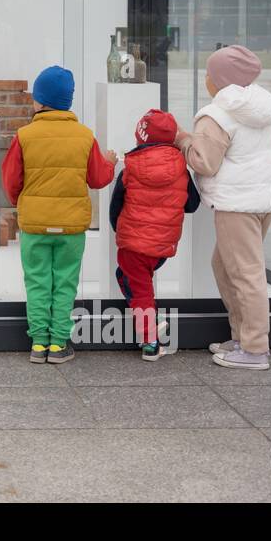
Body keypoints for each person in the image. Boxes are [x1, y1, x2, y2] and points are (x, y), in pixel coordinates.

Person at [176, 46, 271, 370]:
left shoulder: (216, 115)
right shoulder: (267, 107)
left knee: (246, 273)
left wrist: (184, 142)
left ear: (219, 80)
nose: (206, 79)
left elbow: (205, 162)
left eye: (209, 73)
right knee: (224, 265)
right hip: (265, 201)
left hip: (236, 205)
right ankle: (242, 337)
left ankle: (255, 349)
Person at [1, 66, 116, 364]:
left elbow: (11, 180)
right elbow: (98, 178)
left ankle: (38, 343)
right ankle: (58, 345)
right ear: (68, 101)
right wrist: (111, 162)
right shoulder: (84, 135)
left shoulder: (24, 135)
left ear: (38, 101)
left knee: (37, 281)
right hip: (71, 226)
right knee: (65, 282)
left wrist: (23, 203)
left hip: (35, 225)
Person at [109, 109, 200, 360]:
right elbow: (192, 204)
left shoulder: (131, 165)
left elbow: (116, 204)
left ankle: (151, 342)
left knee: (140, 291)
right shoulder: (181, 167)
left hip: (132, 243)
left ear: (140, 136)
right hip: (162, 245)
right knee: (129, 278)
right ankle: (150, 319)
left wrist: (120, 229)